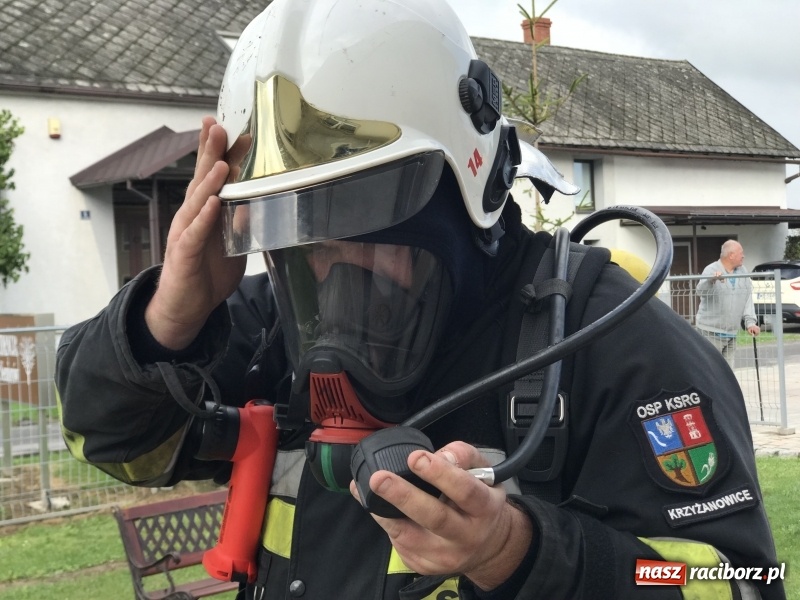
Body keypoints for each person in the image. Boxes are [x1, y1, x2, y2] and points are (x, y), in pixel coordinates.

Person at [55, 1, 784, 598]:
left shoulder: (612, 349)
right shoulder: (272, 329)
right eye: (303, 239)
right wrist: (170, 321)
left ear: (467, 198)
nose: (335, 275)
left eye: (364, 229)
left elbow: (739, 582)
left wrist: (519, 552)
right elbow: (112, 441)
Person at [696, 240, 761, 366]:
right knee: (712, 372)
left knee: (728, 375)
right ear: (731, 255)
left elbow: (747, 298)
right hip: (710, 332)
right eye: (741, 253)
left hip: (731, 333)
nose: (743, 256)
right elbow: (701, 291)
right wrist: (712, 280)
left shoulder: (743, 272)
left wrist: (750, 323)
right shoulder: (711, 269)